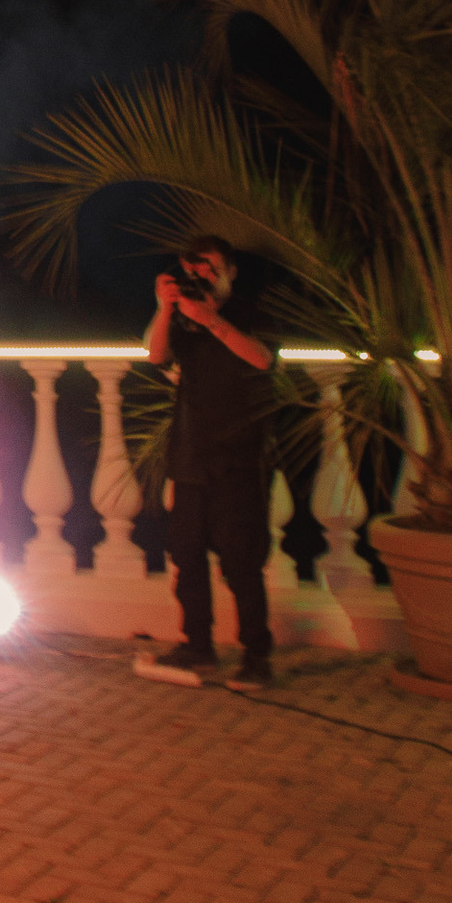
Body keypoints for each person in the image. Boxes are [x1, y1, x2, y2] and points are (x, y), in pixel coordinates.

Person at [145, 234, 279, 679]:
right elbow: (156, 354)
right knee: (186, 556)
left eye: (209, 267)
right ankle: (197, 645)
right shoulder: (184, 314)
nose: (199, 275)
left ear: (230, 270)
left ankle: (256, 656)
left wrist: (212, 320)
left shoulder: (251, 311)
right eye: (192, 268)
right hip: (190, 454)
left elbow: (261, 360)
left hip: (238, 456)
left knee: (241, 562)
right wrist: (167, 308)